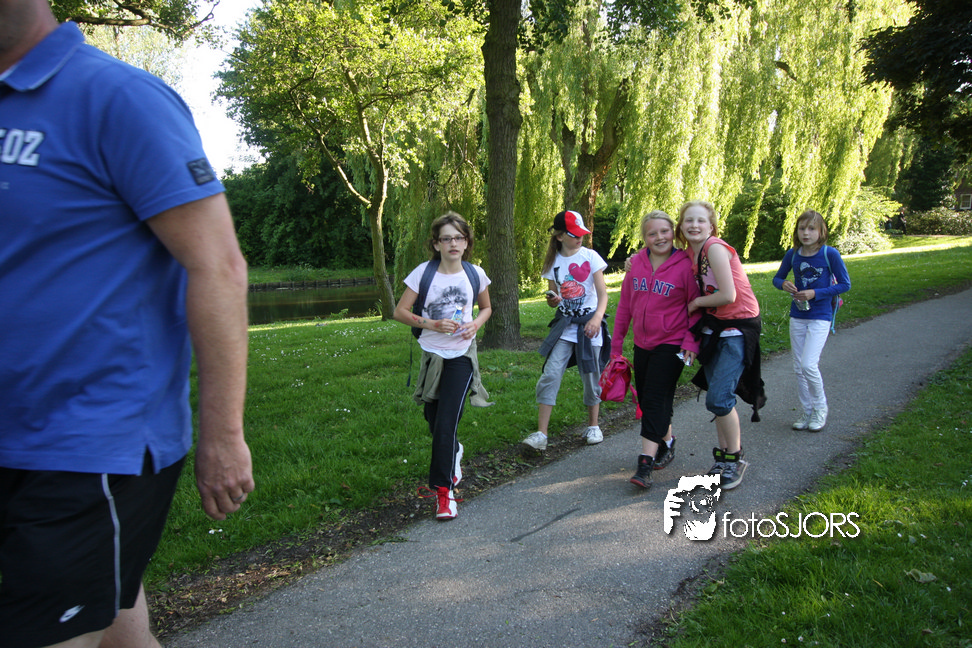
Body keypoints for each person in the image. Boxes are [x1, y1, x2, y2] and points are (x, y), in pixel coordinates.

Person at [0, 4, 254, 648]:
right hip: (11, 432)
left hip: (90, 441)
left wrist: (223, 435)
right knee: (119, 627)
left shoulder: (120, 99)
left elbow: (219, 268)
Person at [393, 212, 492, 520]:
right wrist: (433, 324)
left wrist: (475, 324)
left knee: (446, 424)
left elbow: (487, 308)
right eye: (446, 238)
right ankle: (454, 451)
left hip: (462, 357)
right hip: (431, 357)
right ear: (436, 244)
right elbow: (399, 311)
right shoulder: (423, 273)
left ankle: (444, 494)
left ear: (467, 242)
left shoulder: (475, 274)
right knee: (435, 422)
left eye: (459, 237)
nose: (453, 243)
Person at [677, 200, 764, 490]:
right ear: (681, 226)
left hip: (738, 326)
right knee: (718, 395)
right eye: (688, 220)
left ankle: (735, 459)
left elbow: (728, 295)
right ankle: (724, 456)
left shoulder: (713, 247)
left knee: (718, 398)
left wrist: (696, 303)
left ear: (711, 226)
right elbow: (659, 256)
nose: (694, 225)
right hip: (715, 326)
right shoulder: (691, 253)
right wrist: (632, 262)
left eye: (700, 220)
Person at [612, 211, 701, 489]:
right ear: (645, 237)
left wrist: (691, 342)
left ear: (673, 232)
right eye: (652, 233)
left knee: (652, 400)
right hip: (643, 344)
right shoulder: (636, 264)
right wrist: (616, 346)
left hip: (673, 343)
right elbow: (625, 306)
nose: (659, 237)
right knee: (654, 398)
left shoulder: (685, 265)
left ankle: (645, 464)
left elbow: (696, 308)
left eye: (664, 231)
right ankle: (668, 443)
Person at [523, 210, 610, 452]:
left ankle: (593, 426)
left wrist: (597, 319)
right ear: (560, 236)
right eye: (574, 234)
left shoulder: (591, 257)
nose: (580, 237)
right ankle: (541, 434)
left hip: (590, 327)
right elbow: (553, 299)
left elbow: (603, 294)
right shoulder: (552, 263)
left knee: (591, 377)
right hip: (565, 327)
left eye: (581, 233)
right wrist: (553, 300)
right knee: (550, 375)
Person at [772, 209, 850, 431]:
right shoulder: (793, 254)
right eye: (802, 228)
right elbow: (777, 278)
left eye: (811, 229)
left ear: (821, 231)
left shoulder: (829, 254)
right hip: (798, 315)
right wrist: (783, 284)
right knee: (799, 367)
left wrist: (816, 293)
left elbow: (845, 284)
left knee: (808, 364)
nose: (806, 233)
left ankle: (820, 409)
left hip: (820, 316)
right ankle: (806, 411)